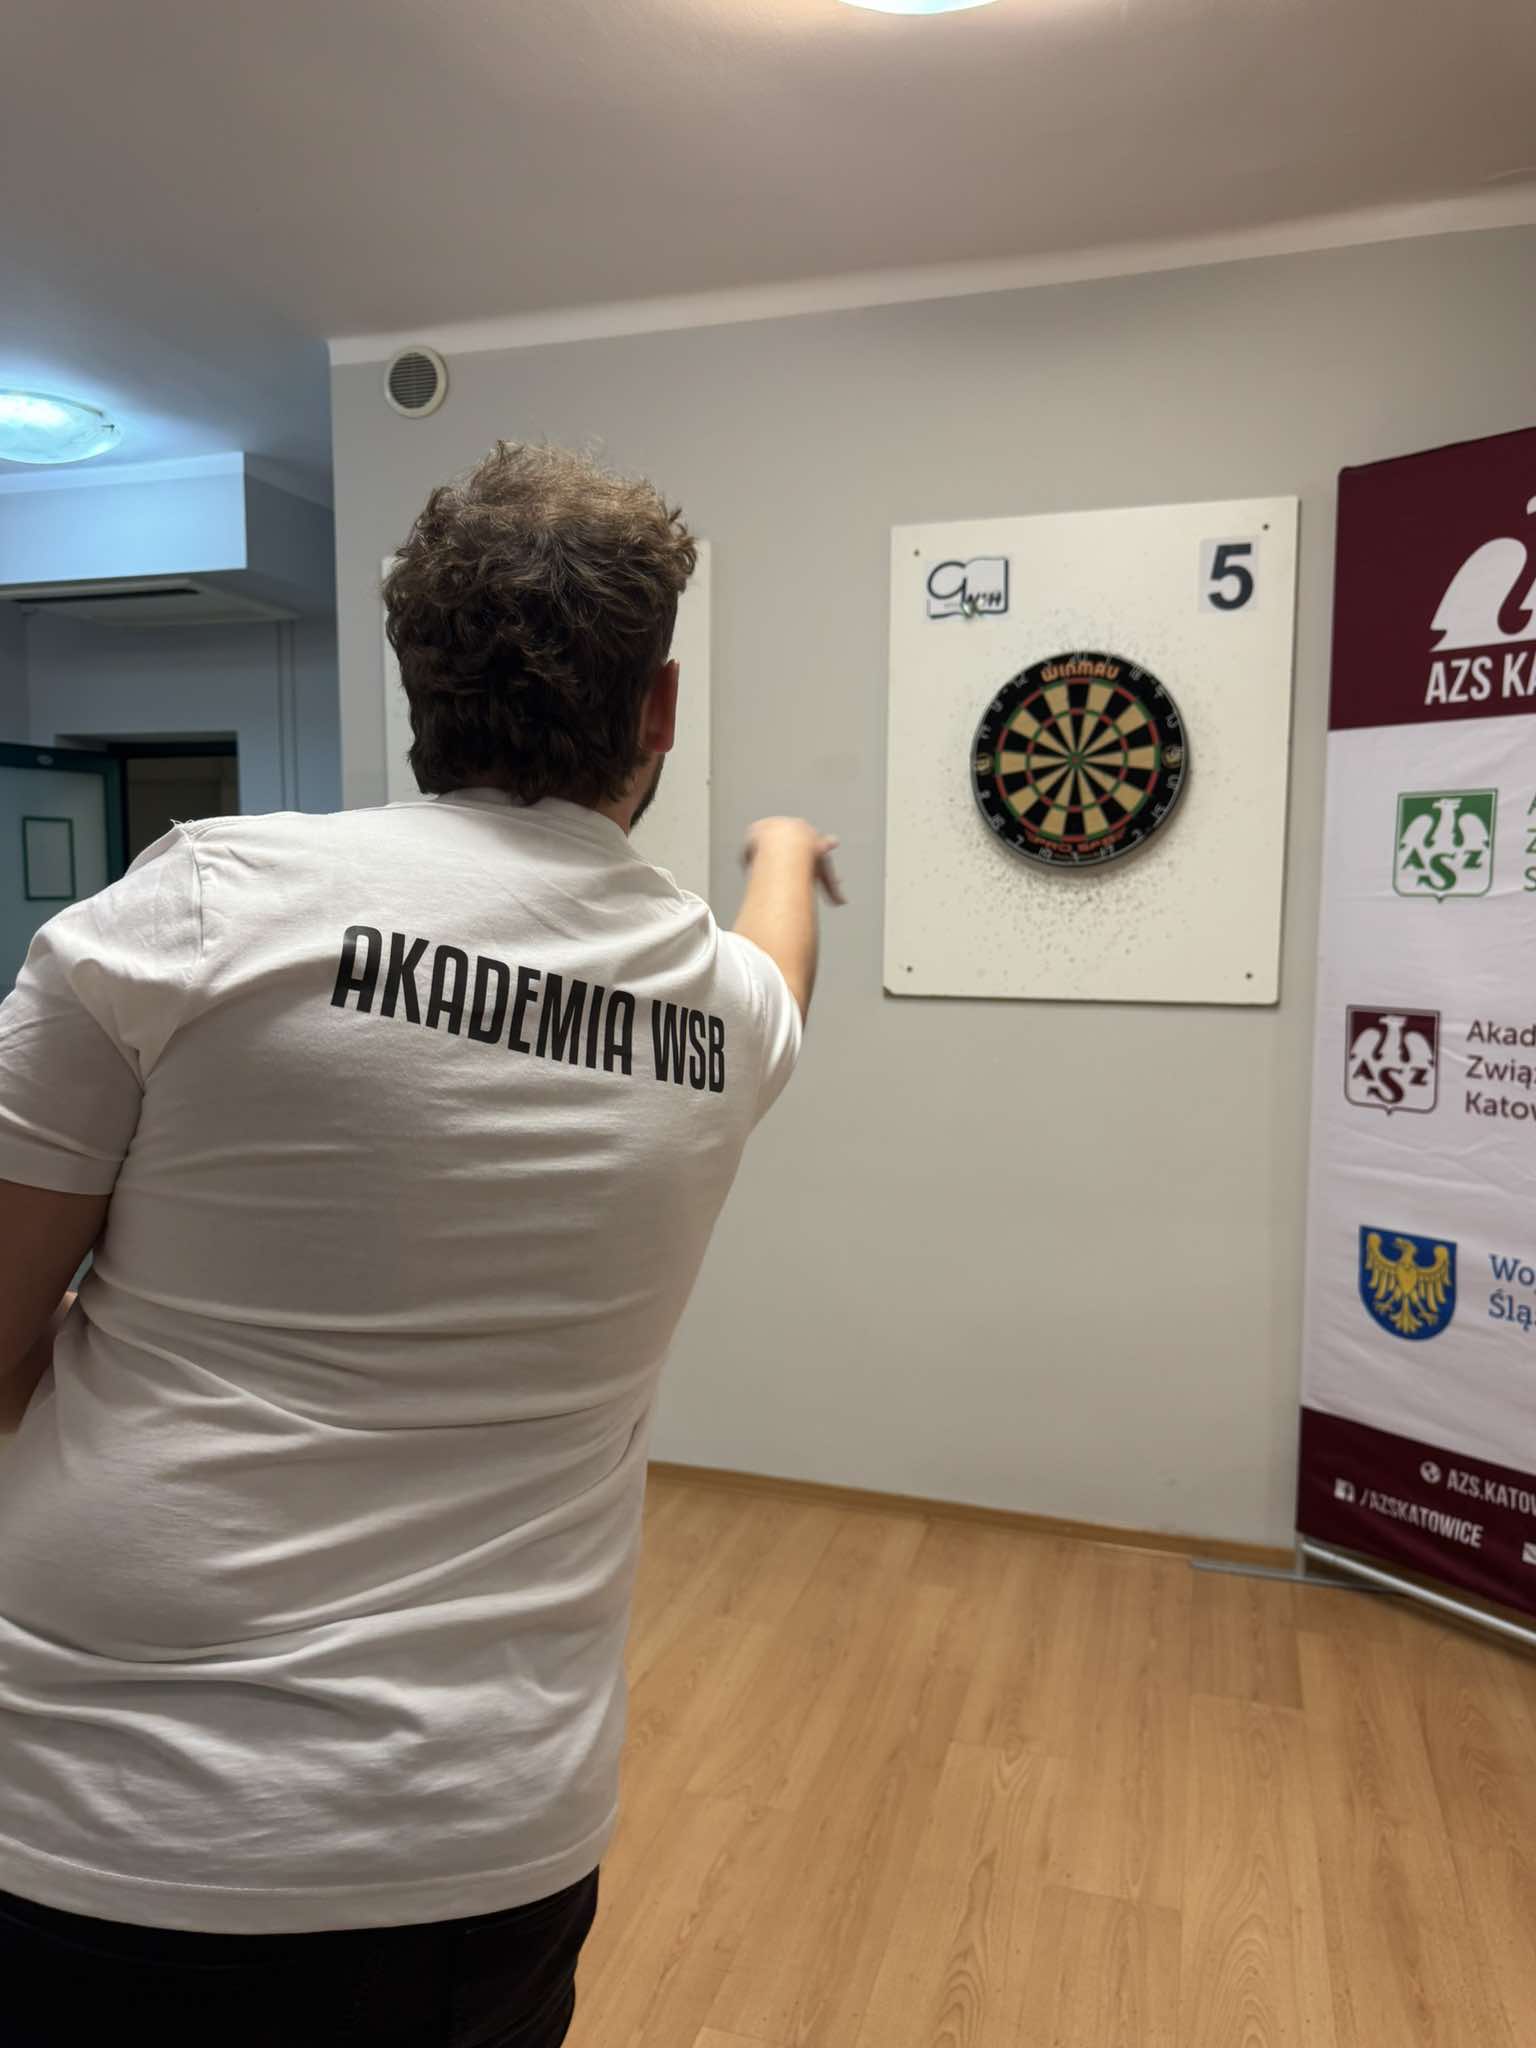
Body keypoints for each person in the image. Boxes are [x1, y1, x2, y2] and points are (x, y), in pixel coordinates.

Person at [0, 441, 841, 2047]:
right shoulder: (716, 1011)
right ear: (657, 709)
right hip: (481, 1837)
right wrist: (785, 854)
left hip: (107, 1810)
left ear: (413, 680)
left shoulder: (201, 908)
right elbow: (778, 967)